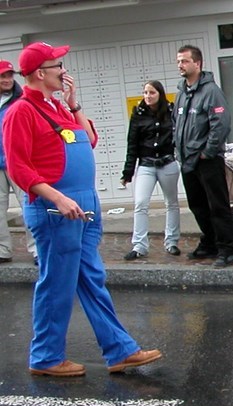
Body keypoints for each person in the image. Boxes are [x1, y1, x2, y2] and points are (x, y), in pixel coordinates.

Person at [2, 42, 161, 377]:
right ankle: (46, 357)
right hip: (57, 209)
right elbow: (19, 168)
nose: (64, 70)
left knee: (91, 278)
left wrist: (74, 106)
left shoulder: (57, 108)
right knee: (56, 283)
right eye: (57, 65)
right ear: (40, 73)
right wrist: (57, 198)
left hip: (82, 205)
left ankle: (120, 350)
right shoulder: (20, 111)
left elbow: (88, 139)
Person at [173, 44, 233, 268]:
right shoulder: (181, 93)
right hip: (187, 159)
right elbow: (176, 124)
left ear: (197, 64)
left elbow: (220, 124)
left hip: (206, 160)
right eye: (179, 61)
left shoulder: (211, 91)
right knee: (197, 205)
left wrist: (207, 152)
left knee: (217, 205)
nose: (180, 65)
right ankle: (209, 242)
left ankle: (228, 248)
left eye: (184, 61)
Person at [121, 80, 181, 260]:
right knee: (140, 203)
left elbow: (179, 135)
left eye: (152, 92)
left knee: (171, 203)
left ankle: (171, 241)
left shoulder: (171, 111)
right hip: (146, 165)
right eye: (145, 93)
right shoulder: (138, 115)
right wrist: (128, 172)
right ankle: (139, 245)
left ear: (160, 94)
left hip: (168, 163)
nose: (147, 96)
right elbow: (132, 144)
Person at [0, 58, 37, 265]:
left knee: (30, 208)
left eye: (9, 75)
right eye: (2, 76)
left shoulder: (22, 99)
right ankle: (3, 250)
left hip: (20, 161)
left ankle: (37, 249)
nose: (6, 80)